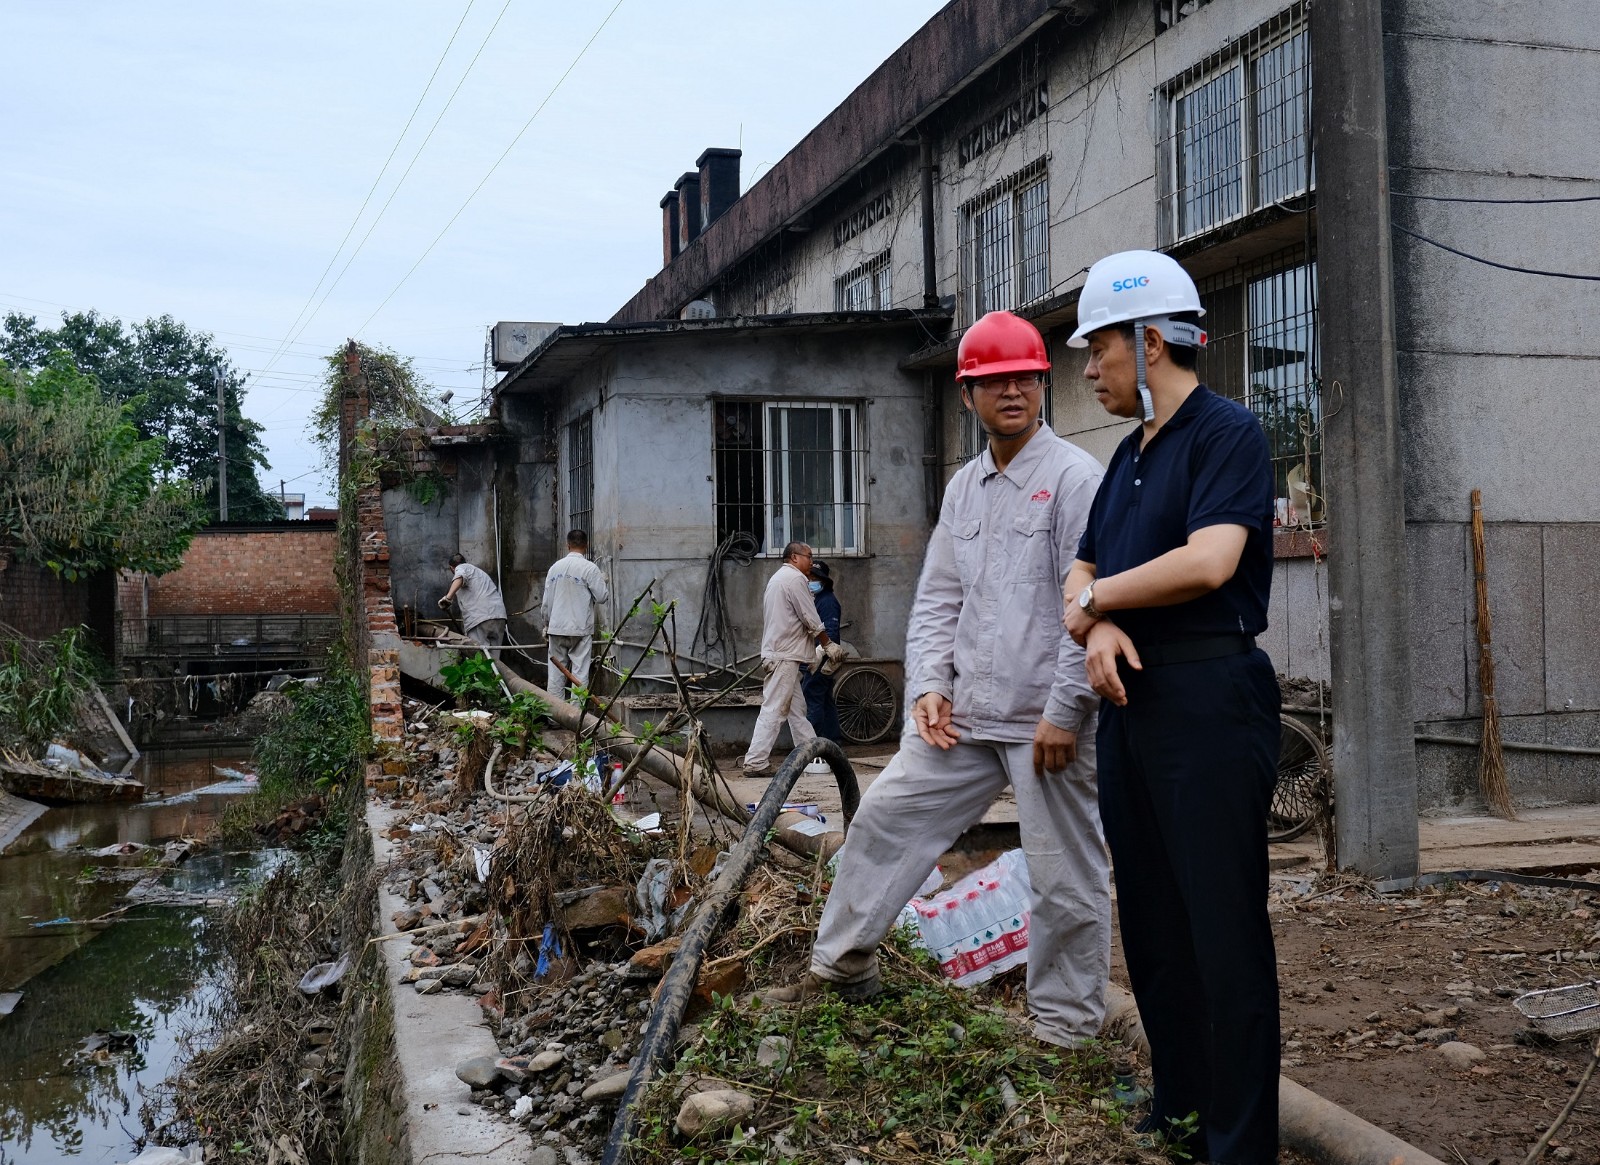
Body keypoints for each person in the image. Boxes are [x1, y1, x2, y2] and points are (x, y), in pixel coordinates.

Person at [764, 311, 1111, 1052]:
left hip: (1046, 723)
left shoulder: (1075, 479)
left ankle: (1065, 1031)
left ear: (1043, 382)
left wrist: (1065, 709)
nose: (1012, 391)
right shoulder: (965, 488)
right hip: (966, 717)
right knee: (885, 817)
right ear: (967, 394)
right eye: (995, 381)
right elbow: (939, 600)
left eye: (1025, 378)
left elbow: (1088, 607)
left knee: (1063, 877)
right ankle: (842, 964)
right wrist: (927, 685)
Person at [1061, 249, 1279, 1164]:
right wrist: (1096, 626)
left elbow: (1209, 560)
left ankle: (1239, 1141)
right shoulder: (1125, 458)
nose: (1088, 368)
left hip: (1210, 699)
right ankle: (1180, 1109)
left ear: (1149, 342)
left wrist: (1099, 602)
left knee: (1221, 925)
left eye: (1098, 348)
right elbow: (1080, 570)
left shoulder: (1228, 434)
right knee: (1151, 920)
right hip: (1133, 705)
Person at [741, 542, 843, 776]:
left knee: (797, 712)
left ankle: (810, 755)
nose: (811, 561)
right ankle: (755, 762)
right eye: (809, 556)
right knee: (775, 709)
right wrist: (827, 644)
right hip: (784, 656)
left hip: (782, 654)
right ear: (795, 557)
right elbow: (810, 617)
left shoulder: (778, 578)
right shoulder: (795, 579)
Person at [541, 529, 609, 701]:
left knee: (555, 674)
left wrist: (547, 624)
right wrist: (603, 581)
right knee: (580, 674)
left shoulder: (554, 568)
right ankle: (577, 714)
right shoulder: (590, 568)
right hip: (580, 629)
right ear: (586, 546)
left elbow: (546, 603)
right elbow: (602, 597)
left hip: (556, 627)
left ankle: (555, 713)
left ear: (568, 545)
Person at [802, 560, 844, 744]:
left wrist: (817, 655)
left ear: (824, 581)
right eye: (809, 577)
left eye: (815, 578)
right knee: (824, 700)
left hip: (822, 660)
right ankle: (833, 741)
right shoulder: (816, 599)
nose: (811, 581)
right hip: (818, 658)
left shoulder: (827, 602)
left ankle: (813, 744)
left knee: (813, 698)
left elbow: (831, 634)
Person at [439, 553, 507, 647]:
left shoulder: (462, 568)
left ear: (452, 568)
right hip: (499, 617)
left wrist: (448, 598)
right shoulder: (478, 572)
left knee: (476, 652)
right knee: (493, 654)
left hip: (479, 618)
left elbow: (460, 576)